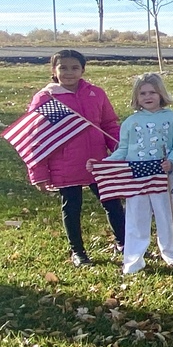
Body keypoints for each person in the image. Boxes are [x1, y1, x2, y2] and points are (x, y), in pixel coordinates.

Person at [21, 49, 125, 266]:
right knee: (72, 207)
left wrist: (119, 150)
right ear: (53, 70)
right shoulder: (47, 98)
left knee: (112, 202)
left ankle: (123, 242)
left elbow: (109, 125)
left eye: (74, 67)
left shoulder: (95, 93)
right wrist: (38, 172)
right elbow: (36, 138)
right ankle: (77, 251)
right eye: (63, 67)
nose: (69, 72)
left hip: (98, 161)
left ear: (83, 69)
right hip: (65, 163)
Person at [95, 73, 173, 274]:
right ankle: (134, 261)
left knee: (167, 217)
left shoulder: (172, 118)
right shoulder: (130, 122)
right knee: (136, 219)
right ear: (136, 97)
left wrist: (172, 161)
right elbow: (122, 150)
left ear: (161, 93)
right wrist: (104, 164)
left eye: (152, 92)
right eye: (142, 93)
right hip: (136, 177)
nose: (148, 96)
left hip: (163, 177)